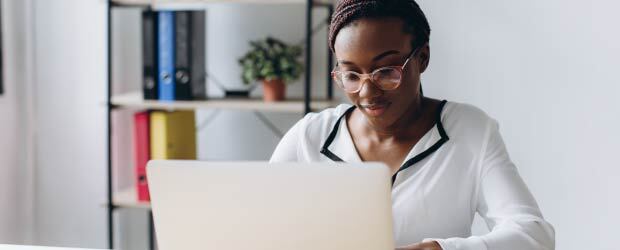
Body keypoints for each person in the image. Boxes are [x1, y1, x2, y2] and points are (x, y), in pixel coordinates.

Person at [270, 0, 555, 249]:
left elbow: (534, 236)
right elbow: (259, 224)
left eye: (386, 72)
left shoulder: (470, 131)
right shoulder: (310, 136)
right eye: (352, 75)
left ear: (422, 58)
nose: (367, 92)